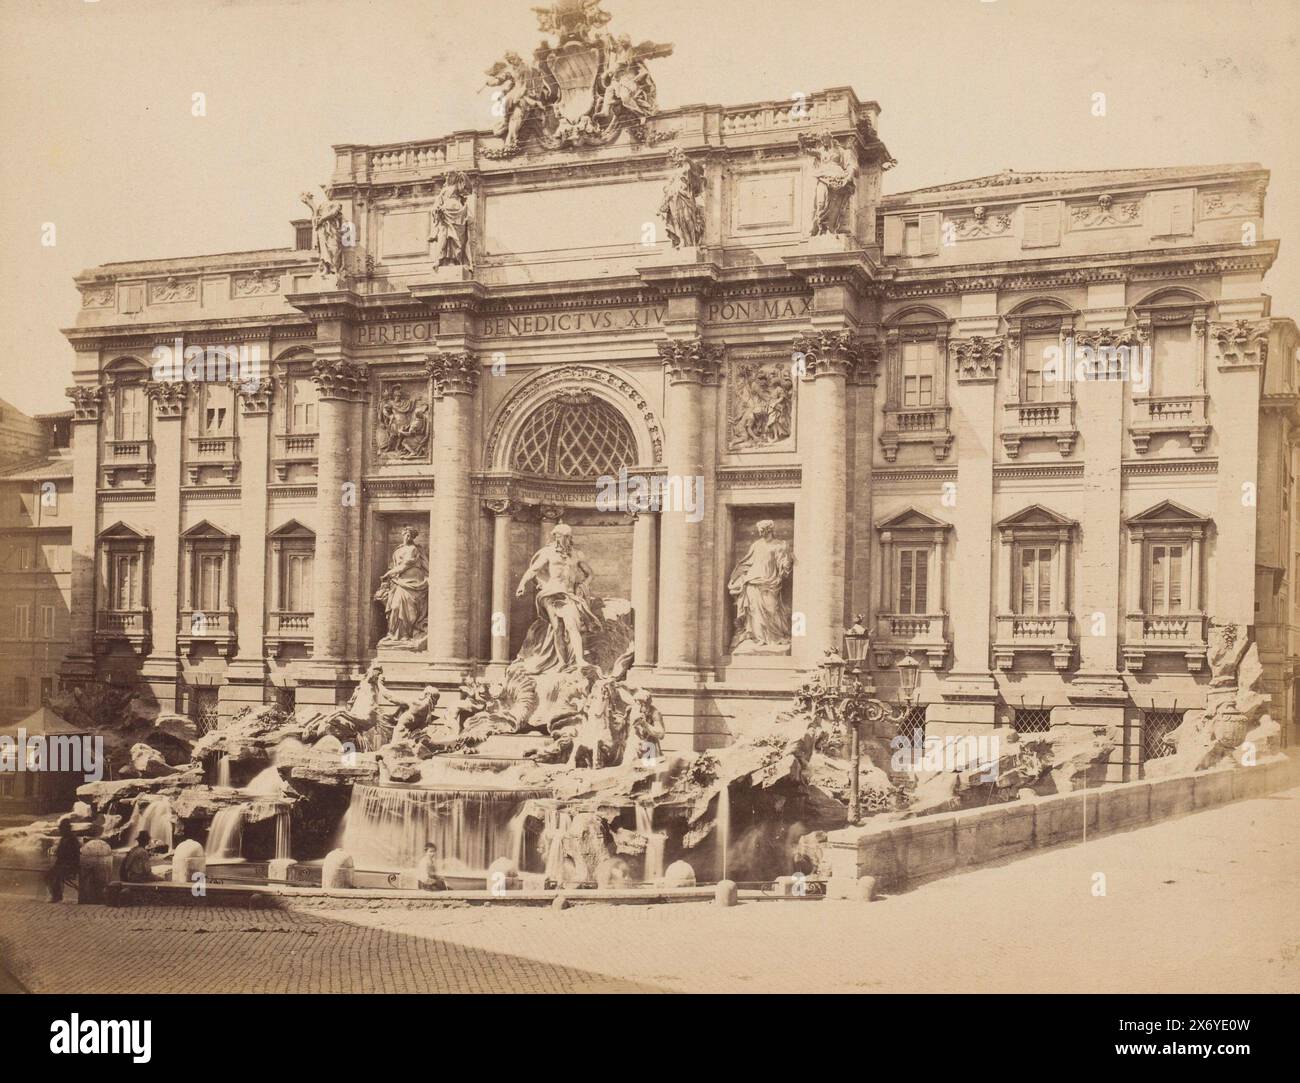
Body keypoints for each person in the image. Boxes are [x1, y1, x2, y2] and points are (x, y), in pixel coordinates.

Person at [515, 523, 596, 673]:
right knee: (557, 628)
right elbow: (533, 570)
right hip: (551, 592)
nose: (566, 539)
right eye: (562, 536)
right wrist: (522, 584)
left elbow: (590, 573)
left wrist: (583, 585)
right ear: (556, 536)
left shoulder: (577, 554)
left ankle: (579, 659)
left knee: (573, 625)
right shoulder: (548, 553)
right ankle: (561, 662)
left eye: (568, 536)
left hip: (569, 593)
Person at [46, 820, 81, 903]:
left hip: (70, 866)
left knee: (55, 875)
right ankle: (56, 895)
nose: (60, 830)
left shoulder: (72, 840)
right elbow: (60, 854)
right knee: (48, 875)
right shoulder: (64, 839)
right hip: (63, 865)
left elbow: (73, 856)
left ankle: (57, 896)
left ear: (66, 829)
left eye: (61, 828)